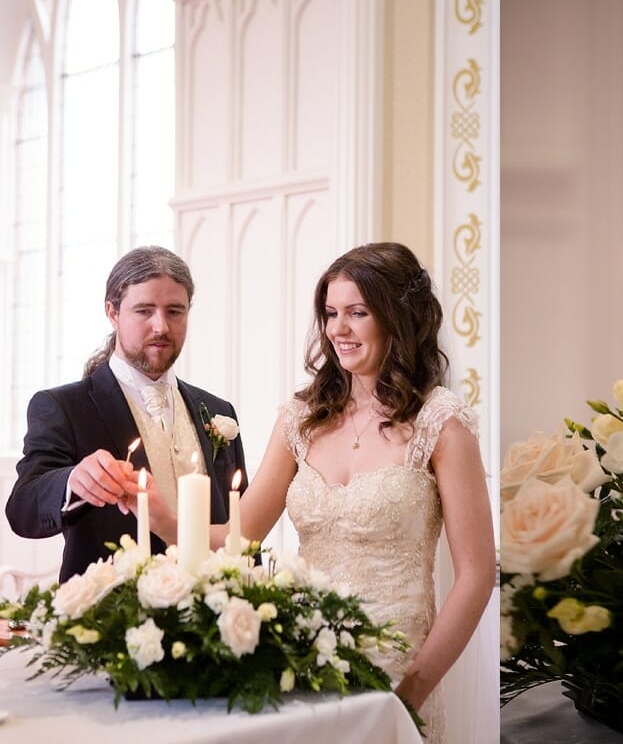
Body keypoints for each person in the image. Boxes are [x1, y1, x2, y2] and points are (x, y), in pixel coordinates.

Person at [136, 242, 495, 742]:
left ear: (399, 317)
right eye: (330, 313)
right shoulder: (301, 419)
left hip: (396, 668)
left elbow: (477, 575)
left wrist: (410, 692)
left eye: (357, 313)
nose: (338, 330)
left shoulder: (441, 424)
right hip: (303, 665)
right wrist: (164, 519)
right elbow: (243, 537)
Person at [6, 246, 248, 583]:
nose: (161, 326)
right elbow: (23, 510)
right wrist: (72, 481)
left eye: (174, 311)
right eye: (144, 311)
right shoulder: (63, 407)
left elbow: (240, 520)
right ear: (112, 312)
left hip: (210, 615)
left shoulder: (220, 412)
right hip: (109, 617)